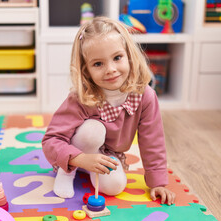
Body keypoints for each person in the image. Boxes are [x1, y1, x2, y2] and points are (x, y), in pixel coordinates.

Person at [42, 16, 176, 205]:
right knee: (93, 130)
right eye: (98, 64)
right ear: (86, 70)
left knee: (115, 187)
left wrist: (158, 182)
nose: (111, 69)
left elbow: (152, 140)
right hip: (77, 152)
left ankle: (90, 170)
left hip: (107, 155)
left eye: (117, 58)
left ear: (129, 56)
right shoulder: (81, 97)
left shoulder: (145, 96)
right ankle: (67, 170)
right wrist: (80, 159)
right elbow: (51, 140)